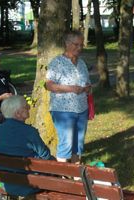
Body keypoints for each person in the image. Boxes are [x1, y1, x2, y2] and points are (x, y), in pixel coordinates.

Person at [0, 95, 54, 197]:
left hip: (7, 183)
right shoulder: (29, 131)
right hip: (31, 184)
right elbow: (46, 156)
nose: (29, 108)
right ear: (18, 113)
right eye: (26, 107)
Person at [45, 30, 91, 164]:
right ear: (67, 44)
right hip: (63, 111)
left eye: (81, 45)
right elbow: (49, 85)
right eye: (76, 45)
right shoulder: (57, 62)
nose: (79, 48)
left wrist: (87, 88)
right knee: (66, 144)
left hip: (81, 108)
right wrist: (70, 89)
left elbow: (86, 82)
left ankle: (76, 176)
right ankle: (63, 177)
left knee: (78, 144)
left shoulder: (81, 63)